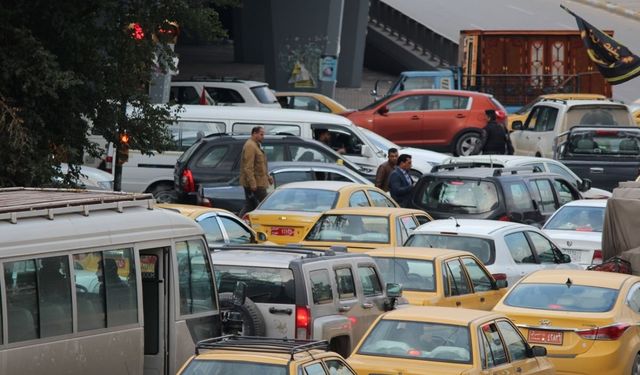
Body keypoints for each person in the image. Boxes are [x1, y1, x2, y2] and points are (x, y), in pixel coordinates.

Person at [239, 126, 273, 216]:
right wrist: (252, 183)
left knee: (250, 205)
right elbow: (248, 167)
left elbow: (261, 165)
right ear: (254, 134)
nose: (263, 136)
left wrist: (268, 177)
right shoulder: (250, 146)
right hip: (256, 184)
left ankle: (241, 222)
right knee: (267, 204)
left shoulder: (256, 145)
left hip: (259, 181)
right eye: (261, 134)